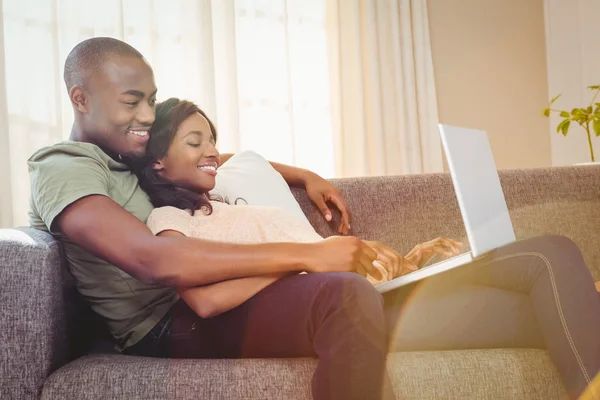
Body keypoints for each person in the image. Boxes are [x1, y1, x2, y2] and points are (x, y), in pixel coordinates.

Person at [27, 37, 600, 400]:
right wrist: (309, 254)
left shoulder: (132, 152)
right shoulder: (64, 167)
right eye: (133, 102)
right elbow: (156, 261)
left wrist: (302, 174)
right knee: (341, 294)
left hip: (216, 297)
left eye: (152, 100)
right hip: (166, 325)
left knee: (538, 270)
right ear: (80, 98)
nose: (147, 115)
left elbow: (203, 155)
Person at [130, 97, 600, 400]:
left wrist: (306, 179)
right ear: (158, 161)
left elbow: (233, 160)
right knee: (537, 283)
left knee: (550, 259)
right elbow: (205, 299)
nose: (212, 150)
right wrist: (308, 262)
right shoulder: (170, 218)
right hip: (337, 302)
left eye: (213, 139)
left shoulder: (225, 199)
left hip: (364, 291)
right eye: (196, 141)